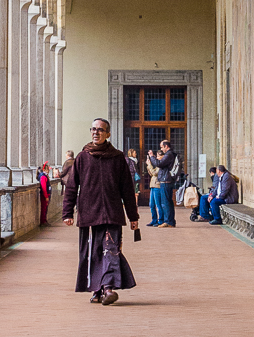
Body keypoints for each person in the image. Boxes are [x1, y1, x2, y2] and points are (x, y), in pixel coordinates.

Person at [62, 118, 140, 305]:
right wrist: (67, 212)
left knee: (110, 250)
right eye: (93, 129)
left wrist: (133, 216)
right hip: (89, 214)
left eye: (100, 130)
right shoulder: (83, 157)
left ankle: (108, 288)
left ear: (108, 134)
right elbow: (72, 187)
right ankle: (98, 289)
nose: (96, 132)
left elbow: (127, 189)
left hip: (111, 213)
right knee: (92, 253)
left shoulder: (117, 157)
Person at [148, 139, 179, 227]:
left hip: (166, 180)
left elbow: (159, 163)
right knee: (168, 201)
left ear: (166, 146)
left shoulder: (169, 154)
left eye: (162, 147)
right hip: (167, 179)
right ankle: (170, 221)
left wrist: (152, 156)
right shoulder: (170, 154)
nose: (161, 149)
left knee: (165, 202)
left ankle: (168, 221)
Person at [145, 151, 160, 226]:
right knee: (151, 204)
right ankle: (154, 219)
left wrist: (150, 165)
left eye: (157, 156)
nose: (156, 158)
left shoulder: (161, 164)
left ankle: (160, 220)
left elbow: (154, 173)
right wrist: (148, 166)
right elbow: (151, 174)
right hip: (153, 185)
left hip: (157, 185)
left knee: (158, 204)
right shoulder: (157, 165)